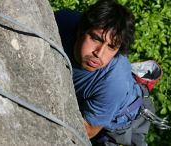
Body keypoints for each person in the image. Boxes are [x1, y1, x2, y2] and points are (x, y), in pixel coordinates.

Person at [55, 0, 154, 145]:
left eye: (111, 47)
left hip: (120, 119)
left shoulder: (113, 82)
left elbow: (86, 131)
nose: (99, 53)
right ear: (80, 30)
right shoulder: (63, 21)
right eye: (96, 38)